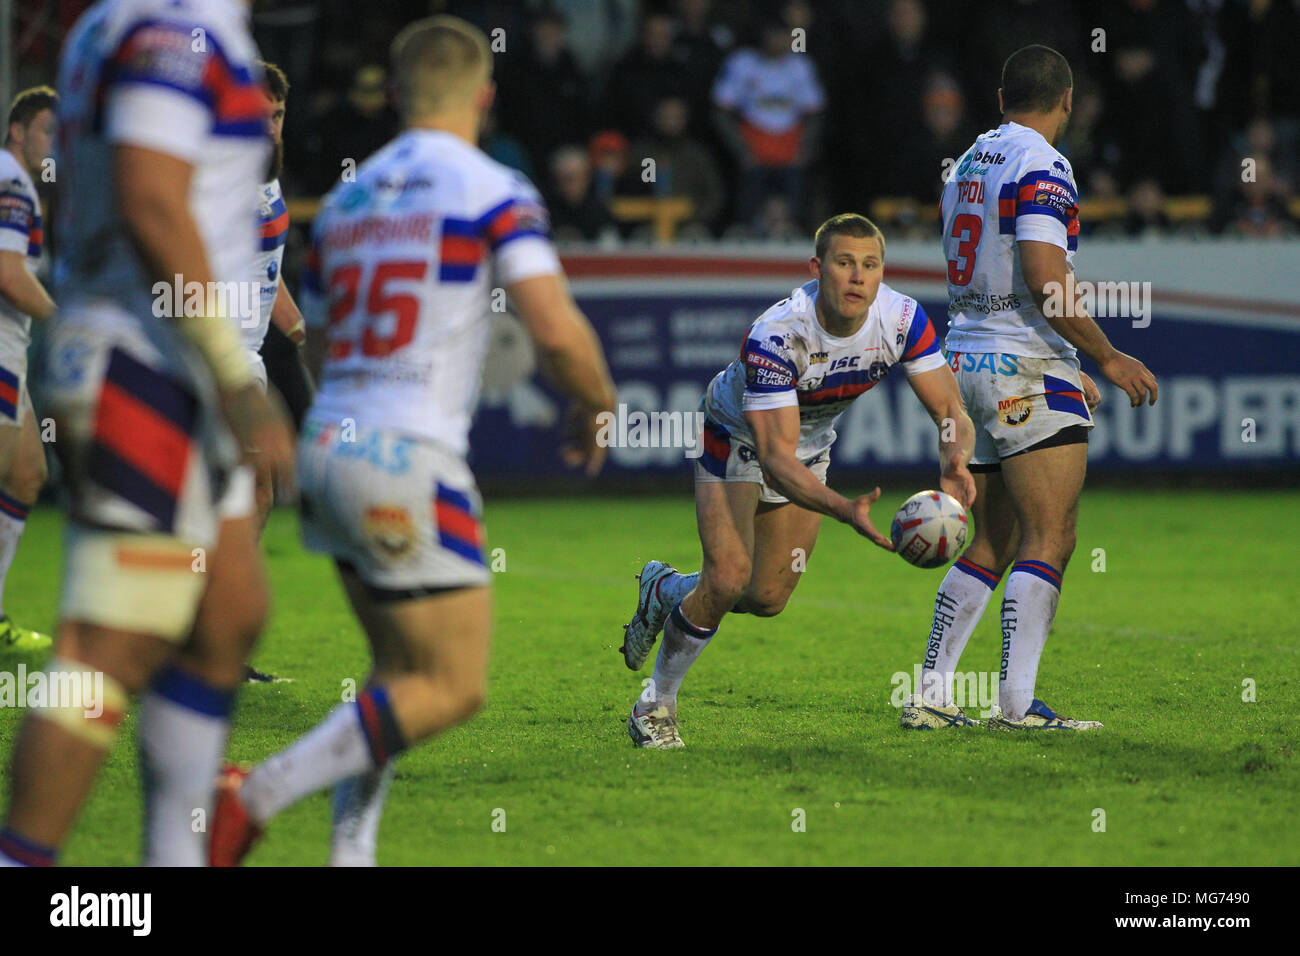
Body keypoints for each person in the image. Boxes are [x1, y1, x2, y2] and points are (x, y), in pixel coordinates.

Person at [209, 15, 616, 867]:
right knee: (452, 685)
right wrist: (595, 402)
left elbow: (309, 332)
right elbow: (554, 328)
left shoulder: (351, 196)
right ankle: (257, 794)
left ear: (394, 97)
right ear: (486, 95)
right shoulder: (490, 186)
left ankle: (351, 852)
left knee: (395, 677)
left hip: (328, 441)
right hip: (405, 456)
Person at [0, 0, 294, 868]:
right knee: (107, 646)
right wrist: (233, 378)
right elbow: (152, 199)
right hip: (143, 360)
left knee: (229, 609)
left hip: (163, 358)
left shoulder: (134, 22)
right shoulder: (174, 26)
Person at [620, 213, 976, 749]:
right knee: (727, 577)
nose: (858, 277)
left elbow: (950, 406)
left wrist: (956, 461)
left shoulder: (902, 319)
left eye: (870, 265)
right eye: (844, 263)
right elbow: (773, 459)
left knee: (765, 597)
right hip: (735, 437)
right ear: (817, 268)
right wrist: (843, 510)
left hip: (806, 450)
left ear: (882, 273)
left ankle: (666, 588)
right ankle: (655, 705)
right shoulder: (778, 334)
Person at [906, 44, 1157, 732]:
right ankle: (1016, 705)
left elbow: (993, 274)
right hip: (1021, 367)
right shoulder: (1044, 164)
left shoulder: (967, 164)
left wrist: (1062, 357)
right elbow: (1046, 277)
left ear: (998, 99)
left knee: (992, 540)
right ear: (1067, 102)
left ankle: (930, 692)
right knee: (1052, 536)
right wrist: (1103, 354)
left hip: (964, 364)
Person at [0, 86, 57, 651]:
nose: (54, 144)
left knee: (25, 472)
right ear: (18, 130)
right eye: (46, 131)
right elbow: (9, 275)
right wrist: (64, 323)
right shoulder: (12, 181)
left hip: (10, 347)